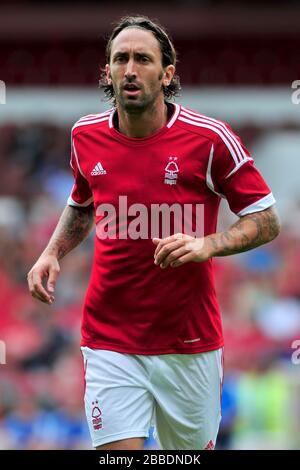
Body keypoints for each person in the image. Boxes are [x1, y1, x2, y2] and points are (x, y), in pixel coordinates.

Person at [27, 15, 281, 451]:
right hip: (109, 339)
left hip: (189, 343)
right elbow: (83, 203)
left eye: (142, 59)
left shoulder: (210, 139)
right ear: (107, 71)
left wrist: (209, 244)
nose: (130, 69)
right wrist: (52, 252)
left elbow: (266, 220)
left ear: (166, 74)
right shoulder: (85, 135)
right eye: (120, 59)